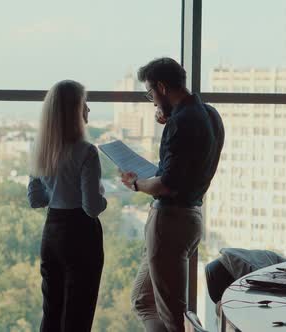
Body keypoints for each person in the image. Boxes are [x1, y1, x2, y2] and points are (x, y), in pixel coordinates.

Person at [121, 57, 225, 332]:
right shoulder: (210, 114)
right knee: (143, 300)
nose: (152, 101)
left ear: (163, 87)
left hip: (170, 221)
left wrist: (135, 184)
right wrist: (171, 117)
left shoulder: (181, 123)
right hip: (191, 218)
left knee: (172, 315)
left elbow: (165, 184)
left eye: (151, 93)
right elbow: (192, 158)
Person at [28, 80, 107, 332]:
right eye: (85, 103)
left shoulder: (40, 148)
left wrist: (57, 191)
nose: (88, 109)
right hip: (81, 234)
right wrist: (103, 195)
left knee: (51, 311)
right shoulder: (86, 152)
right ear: (74, 109)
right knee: (78, 315)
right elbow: (92, 207)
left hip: (52, 232)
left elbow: (35, 199)